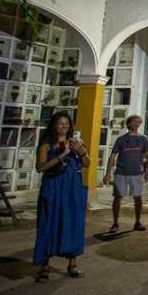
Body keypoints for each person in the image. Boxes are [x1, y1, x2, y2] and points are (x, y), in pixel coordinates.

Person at [33, 112, 90, 282]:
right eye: (60, 123)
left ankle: (72, 265)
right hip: (53, 189)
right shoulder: (46, 144)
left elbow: (87, 163)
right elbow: (40, 167)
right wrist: (63, 154)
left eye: (67, 123)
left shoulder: (76, 142)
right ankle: (44, 266)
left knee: (73, 224)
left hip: (73, 189)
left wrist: (80, 151)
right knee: (48, 224)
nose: (64, 126)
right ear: (53, 125)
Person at [104, 115, 148, 233]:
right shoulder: (121, 139)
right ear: (129, 123)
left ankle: (138, 221)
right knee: (117, 197)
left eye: (139, 122)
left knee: (138, 197)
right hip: (121, 172)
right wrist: (107, 173)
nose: (137, 124)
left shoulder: (143, 139)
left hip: (137, 173)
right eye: (135, 122)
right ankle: (115, 223)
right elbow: (112, 156)